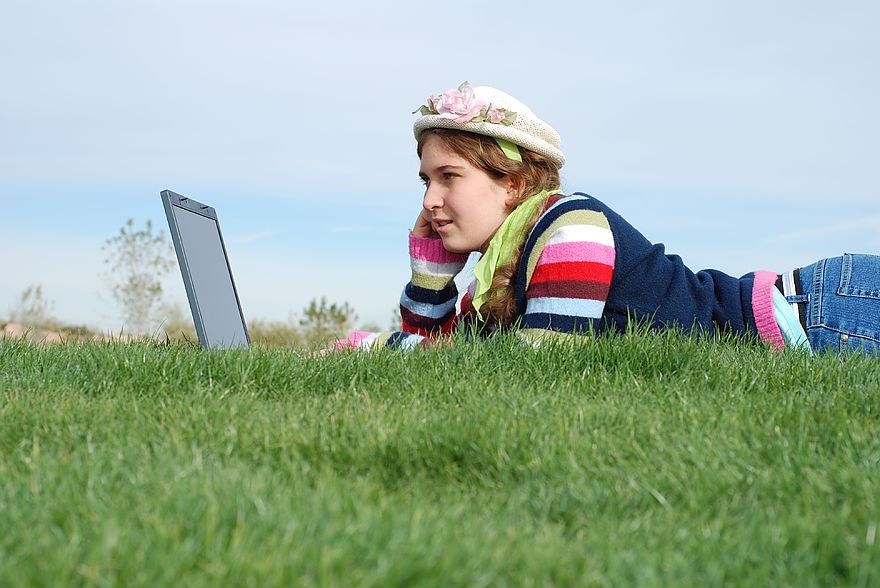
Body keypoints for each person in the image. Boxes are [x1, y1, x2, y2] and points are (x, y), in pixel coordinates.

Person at [338, 81, 880, 355]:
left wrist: (372, 347)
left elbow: (538, 363)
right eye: (425, 182)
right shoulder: (501, 269)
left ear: (515, 181)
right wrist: (430, 271)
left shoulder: (572, 229)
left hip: (822, 314)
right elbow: (434, 357)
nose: (430, 199)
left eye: (449, 177)